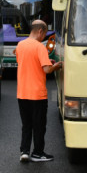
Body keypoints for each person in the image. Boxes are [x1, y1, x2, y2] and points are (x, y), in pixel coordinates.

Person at [15, 20, 63, 163]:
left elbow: (27, 63)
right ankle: (38, 153)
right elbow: (46, 69)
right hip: (37, 94)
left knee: (26, 124)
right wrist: (58, 65)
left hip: (22, 92)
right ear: (41, 31)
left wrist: (47, 63)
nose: (44, 37)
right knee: (39, 125)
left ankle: (24, 151)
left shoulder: (20, 45)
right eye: (45, 34)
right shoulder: (40, 47)